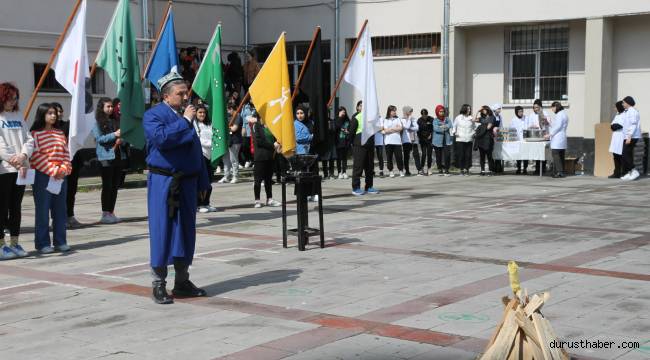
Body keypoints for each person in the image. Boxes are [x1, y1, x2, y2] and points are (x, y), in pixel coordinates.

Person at [143, 72, 211, 304]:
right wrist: (184, 121)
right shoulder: (154, 115)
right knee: (163, 230)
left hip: (188, 183)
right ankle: (158, 283)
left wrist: (203, 181)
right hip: (164, 183)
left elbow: (196, 151)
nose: (185, 97)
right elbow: (162, 140)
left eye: (185, 93)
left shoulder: (186, 117)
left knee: (185, 232)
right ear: (165, 96)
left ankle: (182, 280)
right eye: (180, 93)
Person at [30, 103, 72, 254]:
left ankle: (61, 241)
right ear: (42, 115)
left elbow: (67, 153)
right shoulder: (35, 134)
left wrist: (65, 169)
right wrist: (54, 170)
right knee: (43, 210)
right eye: (49, 113)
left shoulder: (60, 133)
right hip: (43, 176)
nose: (53, 116)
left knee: (60, 210)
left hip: (60, 176)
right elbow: (35, 157)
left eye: (54, 113)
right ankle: (42, 243)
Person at [0, 82, 33, 259]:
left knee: (16, 207)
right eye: (10, 98)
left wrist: (23, 156)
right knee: (2, 207)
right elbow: (0, 144)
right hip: (4, 169)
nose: (13, 101)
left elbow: (29, 139)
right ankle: (1, 245)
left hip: (21, 168)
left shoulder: (18, 115)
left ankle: (14, 243)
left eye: (15, 98)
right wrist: (14, 159)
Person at [252, 112, 281, 208]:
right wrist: (272, 145)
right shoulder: (256, 126)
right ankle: (257, 200)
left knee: (268, 179)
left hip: (270, 156)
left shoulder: (271, 126)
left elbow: (275, 139)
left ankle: (269, 199)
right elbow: (259, 141)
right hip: (260, 157)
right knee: (258, 180)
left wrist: (277, 144)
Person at [350, 101, 379, 196]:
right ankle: (356, 187)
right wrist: (352, 144)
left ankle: (369, 186)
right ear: (358, 107)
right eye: (362, 106)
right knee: (358, 167)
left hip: (370, 144)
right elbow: (351, 133)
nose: (364, 107)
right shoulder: (356, 117)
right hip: (359, 145)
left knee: (369, 167)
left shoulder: (372, 118)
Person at [193, 105, 218, 213]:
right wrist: (212, 144)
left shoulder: (209, 124)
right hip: (200, 155)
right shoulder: (194, 125)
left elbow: (215, 136)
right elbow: (198, 140)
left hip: (210, 156)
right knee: (200, 181)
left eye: (203, 112)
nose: (202, 114)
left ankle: (206, 202)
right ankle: (198, 204)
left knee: (209, 181)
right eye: (200, 112)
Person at [527, 99, 551, 174]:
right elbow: (529, 125)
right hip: (535, 136)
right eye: (534, 107)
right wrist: (532, 126)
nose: (535, 109)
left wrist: (543, 118)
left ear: (540, 107)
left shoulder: (545, 113)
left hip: (544, 135)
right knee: (537, 152)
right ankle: (537, 169)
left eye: (537, 107)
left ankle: (542, 169)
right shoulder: (531, 115)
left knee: (543, 153)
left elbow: (547, 123)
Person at [620, 96, 642, 181]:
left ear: (628, 103)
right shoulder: (628, 111)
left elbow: (633, 124)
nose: (622, 104)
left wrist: (629, 136)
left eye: (623, 102)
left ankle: (634, 170)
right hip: (628, 136)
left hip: (632, 136)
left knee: (625, 153)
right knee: (626, 154)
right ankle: (629, 172)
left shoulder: (632, 111)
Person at [546, 102, 568, 178]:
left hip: (558, 137)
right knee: (561, 155)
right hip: (561, 137)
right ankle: (560, 171)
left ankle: (559, 172)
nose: (552, 110)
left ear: (555, 107)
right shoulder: (564, 114)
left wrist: (550, 134)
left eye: (552, 108)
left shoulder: (560, 115)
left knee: (555, 154)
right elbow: (557, 125)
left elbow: (558, 126)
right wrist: (549, 122)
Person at [381, 105, 404, 178]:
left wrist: (390, 129)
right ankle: (391, 171)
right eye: (393, 110)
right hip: (388, 141)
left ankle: (401, 170)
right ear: (389, 111)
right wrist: (395, 128)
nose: (395, 112)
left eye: (395, 110)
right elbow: (385, 130)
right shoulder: (386, 120)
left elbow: (400, 128)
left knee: (399, 157)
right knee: (389, 157)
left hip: (397, 141)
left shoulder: (397, 119)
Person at [452, 104, 475, 176]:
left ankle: (467, 169)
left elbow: (475, 127)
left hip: (469, 138)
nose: (469, 110)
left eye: (470, 109)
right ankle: (461, 169)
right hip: (460, 139)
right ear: (464, 109)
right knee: (461, 155)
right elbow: (454, 126)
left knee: (468, 155)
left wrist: (473, 133)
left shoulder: (471, 118)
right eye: (468, 109)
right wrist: (455, 132)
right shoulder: (458, 118)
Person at [224, 102, 243, 184]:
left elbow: (234, 128)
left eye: (228, 110)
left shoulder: (238, 116)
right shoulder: (230, 116)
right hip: (229, 140)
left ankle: (235, 176)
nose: (228, 112)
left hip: (235, 141)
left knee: (233, 159)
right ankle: (227, 175)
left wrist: (226, 127)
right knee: (227, 159)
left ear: (231, 109)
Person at [474, 105, 496, 176]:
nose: (483, 111)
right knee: (482, 155)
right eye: (482, 110)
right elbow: (474, 120)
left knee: (489, 155)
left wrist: (481, 127)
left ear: (487, 110)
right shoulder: (481, 118)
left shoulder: (492, 117)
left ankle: (490, 170)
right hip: (481, 138)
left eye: (484, 109)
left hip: (488, 138)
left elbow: (489, 127)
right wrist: (477, 111)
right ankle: (482, 170)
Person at [432, 105, 452, 176]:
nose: (442, 113)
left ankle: (447, 169)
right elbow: (436, 129)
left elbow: (450, 125)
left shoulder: (447, 119)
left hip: (446, 140)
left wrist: (442, 126)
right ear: (437, 112)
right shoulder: (435, 120)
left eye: (443, 111)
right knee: (438, 156)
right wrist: (444, 127)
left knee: (447, 155)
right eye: (440, 111)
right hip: (437, 141)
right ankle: (440, 169)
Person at [401, 106, 420, 176]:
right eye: (410, 111)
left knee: (416, 155)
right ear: (406, 111)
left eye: (411, 111)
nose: (411, 113)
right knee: (406, 156)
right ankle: (407, 170)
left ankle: (419, 170)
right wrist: (409, 119)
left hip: (413, 140)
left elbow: (417, 127)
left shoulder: (413, 118)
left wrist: (411, 128)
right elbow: (406, 127)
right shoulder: (402, 120)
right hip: (406, 140)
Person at [509, 106, 528, 174]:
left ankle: (525, 168)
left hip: (525, 139)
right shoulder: (513, 120)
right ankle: (519, 168)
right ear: (516, 112)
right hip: (517, 140)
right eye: (519, 111)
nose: (521, 113)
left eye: (522, 111)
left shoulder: (526, 118)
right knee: (518, 155)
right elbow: (511, 130)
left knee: (525, 155)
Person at [609, 101, 626, 179]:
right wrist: (614, 126)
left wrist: (614, 126)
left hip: (621, 137)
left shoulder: (624, 115)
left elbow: (619, 126)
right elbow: (612, 125)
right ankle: (616, 173)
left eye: (615, 107)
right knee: (615, 156)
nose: (614, 108)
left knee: (621, 156)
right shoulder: (617, 115)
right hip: (615, 137)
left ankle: (623, 172)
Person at [335, 106, 352, 179]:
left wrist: (348, 132)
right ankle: (339, 172)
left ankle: (344, 172)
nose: (343, 113)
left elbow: (351, 130)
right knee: (339, 158)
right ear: (339, 112)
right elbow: (335, 128)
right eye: (342, 112)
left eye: (344, 112)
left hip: (346, 141)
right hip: (338, 141)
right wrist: (339, 117)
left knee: (345, 158)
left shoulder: (348, 121)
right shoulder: (336, 120)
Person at [417, 109, 434, 175]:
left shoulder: (431, 119)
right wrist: (421, 137)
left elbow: (433, 128)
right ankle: (422, 167)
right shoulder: (419, 120)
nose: (424, 116)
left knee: (429, 154)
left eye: (425, 115)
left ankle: (429, 168)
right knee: (424, 154)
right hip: (422, 140)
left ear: (427, 114)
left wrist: (431, 135)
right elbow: (418, 131)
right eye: (423, 115)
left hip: (430, 139)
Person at [321, 116, 338, 180]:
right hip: (325, 143)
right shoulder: (322, 122)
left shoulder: (332, 121)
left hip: (331, 142)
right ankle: (325, 174)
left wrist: (330, 126)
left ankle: (331, 173)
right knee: (324, 159)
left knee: (332, 159)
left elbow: (334, 130)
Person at [240, 101, 255, 168]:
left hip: (255, 130)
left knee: (254, 146)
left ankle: (254, 161)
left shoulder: (257, 106)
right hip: (247, 130)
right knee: (245, 146)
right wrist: (243, 127)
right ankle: (248, 160)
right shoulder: (245, 107)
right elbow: (242, 117)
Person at [491, 103, 504, 174]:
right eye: (498, 109)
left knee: (498, 151)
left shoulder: (500, 116)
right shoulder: (491, 116)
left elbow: (501, 125)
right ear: (495, 109)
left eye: (500, 109)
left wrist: (500, 131)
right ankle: (493, 167)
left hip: (498, 135)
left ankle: (498, 166)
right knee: (493, 151)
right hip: (492, 136)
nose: (500, 110)